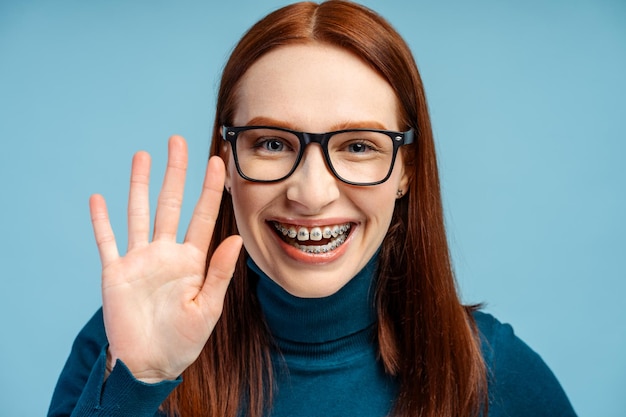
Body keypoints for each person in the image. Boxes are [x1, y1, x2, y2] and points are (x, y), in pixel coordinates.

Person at [48, 1, 577, 416]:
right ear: (227, 162)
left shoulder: (492, 372)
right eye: (273, 143)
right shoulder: (126, 341)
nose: (311, 192)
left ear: (406, 172)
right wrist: (136, 384)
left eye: (359, 145)